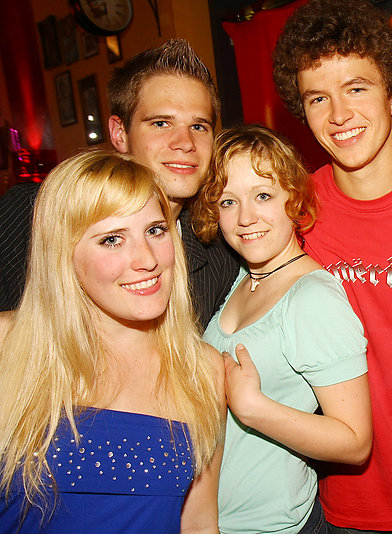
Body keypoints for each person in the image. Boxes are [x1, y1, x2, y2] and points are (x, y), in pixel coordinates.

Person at [272, 1, 392, 531]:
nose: (338, 115)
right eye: (318, 98)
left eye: (356, 88)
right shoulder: (291, 211)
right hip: (342, 504)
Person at [0, 150, 225, 532]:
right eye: (112, 239)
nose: (147, 259)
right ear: (62, 253)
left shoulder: (201, 369)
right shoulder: (8, 345)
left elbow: (199, 524)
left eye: (155, 230)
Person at [193, 124, 372, 534]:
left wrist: (254, 408)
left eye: (263, 196)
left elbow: (355, 441)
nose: (245, 218)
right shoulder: (244, 276)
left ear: (293, 198)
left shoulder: (312, 298)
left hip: (273, 526)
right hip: (216, 520)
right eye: (228, 201)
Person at [0, 39, 238, 327]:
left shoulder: (220, 255)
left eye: (198, 126)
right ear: (119, 133)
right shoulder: (31, 214)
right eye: (161, 123)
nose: (185, 143)